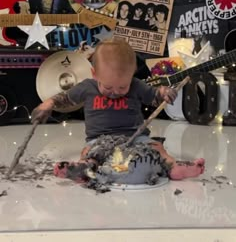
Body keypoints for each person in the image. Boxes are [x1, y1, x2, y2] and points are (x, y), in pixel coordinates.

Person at [31, 40, 205, 182]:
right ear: (94, 74)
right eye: (107, 86)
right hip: (99, 140)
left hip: (135, 137)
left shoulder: (136, 85)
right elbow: (66, 98)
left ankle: (173, 167)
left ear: (132, 75)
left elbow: (153, 96)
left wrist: (164, 93)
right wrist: (47, 104)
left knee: (157, 148)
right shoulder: (87, 87)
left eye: (122, 86)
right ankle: (82, 168)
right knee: (89, 153)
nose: (114, 92)